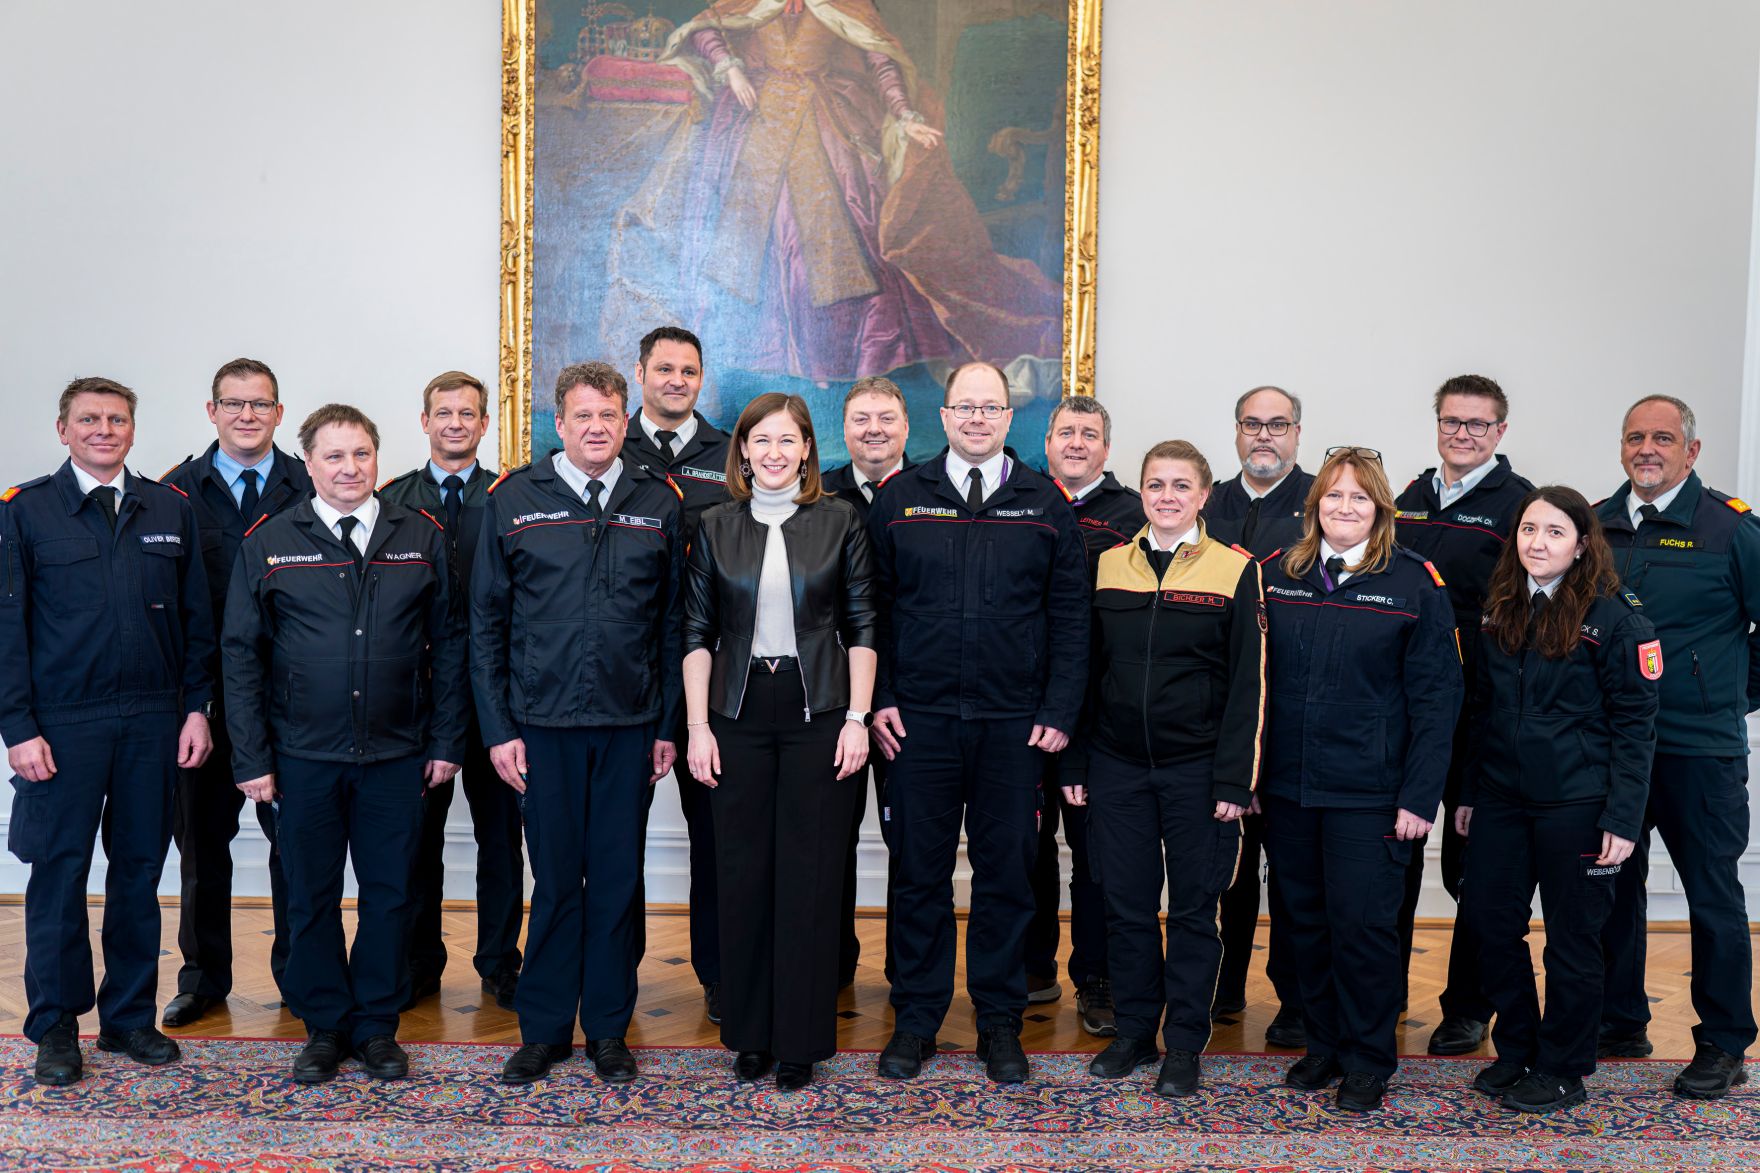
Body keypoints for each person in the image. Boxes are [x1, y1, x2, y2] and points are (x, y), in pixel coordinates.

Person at [223, 403, 466, 1083]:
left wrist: (447, 739)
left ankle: (377, 1025)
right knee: (310, 896)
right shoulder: (271, 541)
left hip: (398, 754)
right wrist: (251, 756)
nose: (349, 468)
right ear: (309, 464)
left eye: (361, 453)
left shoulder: (419, 535)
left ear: (377, 458)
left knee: (392, 894)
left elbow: (451, 645)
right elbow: (240, 654)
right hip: (302, 757)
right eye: (334, 456)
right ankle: (326, 1025)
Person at [866, 361, 1089, 1084]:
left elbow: (1070, 618)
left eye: (990, 407)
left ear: (1009, 418)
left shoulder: (1045, 503)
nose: (977, 418)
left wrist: (1058, 710)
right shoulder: (901, 498)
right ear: (943, 416)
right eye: (965, 406)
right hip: (919, 723)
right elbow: (872, 610)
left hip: (1013, 727)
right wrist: (882, 696)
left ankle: (999, 1022)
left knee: (1008, 876)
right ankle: (916, 1021)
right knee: (918, 875)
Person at [473, 362, 686, 1086]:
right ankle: (543, 1030)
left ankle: (607, 1030)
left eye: (609, 416)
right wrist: (499, 729)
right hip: (542, 726)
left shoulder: (659, 500)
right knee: (557, 880)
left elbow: (673, 626)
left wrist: (667, 725)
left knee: (619, 880)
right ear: (559, 423)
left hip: (631, 726)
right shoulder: (513, 499)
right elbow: (486, 625)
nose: (596, 427)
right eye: (583, 415)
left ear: (626, 422)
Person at [1, 376, 215, 1086]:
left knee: (138, 872)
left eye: (116, 419)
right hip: (62, 727)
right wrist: (17, 728)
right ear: (62, 429)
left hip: (153, 721)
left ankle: (128, 1017)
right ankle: (56, 1024)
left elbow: (198, 622)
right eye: (88, 419)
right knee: (58, 874)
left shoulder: (169, 507)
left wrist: (196, 708)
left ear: (132, 428)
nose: (103, 429)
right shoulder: (25, 511)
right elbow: (6, 629)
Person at [682, 392, 878, 1090]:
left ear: (806, 450)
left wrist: (857, 718)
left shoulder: (840, 520)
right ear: (742, 451)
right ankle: (750, 1033)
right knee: (741, 875)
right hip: (735, 712)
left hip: (818, 709)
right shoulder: (714, 524)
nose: (773, 452)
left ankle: (799, 1040)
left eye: (786, 440)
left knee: (810, 876)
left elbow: (862, 625)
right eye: (760, 440)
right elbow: (696, 633)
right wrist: (698, 726)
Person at [1260, 447, 1461, 1112]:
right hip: (1289, 788)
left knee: (1364, 929)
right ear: (1314, 504)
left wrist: (1420, 796)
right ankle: (1324, 1045)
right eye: (1334, 495)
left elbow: (1438, 700)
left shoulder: (1414, 583)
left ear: (1381, 510)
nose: (1344, 507)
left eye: (1359, 497)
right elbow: (1251, 685)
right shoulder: (1277, 574)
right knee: (1305, 925)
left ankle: (1369, 1058)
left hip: (1372, 794)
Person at [1068, 440, 1265, 1097]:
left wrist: (1236, 779)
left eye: (1182, 485)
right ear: (1142, 492)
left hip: (1199, 772)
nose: (1168, 496)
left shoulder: (1236, 569)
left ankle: (1183, 1043)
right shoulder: (1108, 565)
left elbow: (1250, 684)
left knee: (1192, 914)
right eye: (1156, 484)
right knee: (1125, 908)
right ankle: (1133, 1032)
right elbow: (1085, 671)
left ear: (1204, 495)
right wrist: (1077, 759)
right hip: (1117, 767)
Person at [1456, 486, 1658, 1113]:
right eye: (1528, 530)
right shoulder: (1500, 607)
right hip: (1500, 799)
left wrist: (1623, 817)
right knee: (1490, 924)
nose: (1537, 543)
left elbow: (1636, 726)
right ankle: (1518, 1048)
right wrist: (1469, 793)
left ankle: (1563, 1067)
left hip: (1578, 805)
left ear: (1582, 544)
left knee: (1572, 940)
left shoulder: (1616, 619)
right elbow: (1481, 709)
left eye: (1554, 532)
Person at [1595, 395, 1760, 1099]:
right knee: (1610, 890)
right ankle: (1618, 1021)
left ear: (1691, 451)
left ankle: (1723, 1041)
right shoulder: (1595, 524)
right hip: (1612, 749)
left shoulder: (1732, 529)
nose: (1647, 449)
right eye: (1636, 436)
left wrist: (1727, 695)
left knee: (1713, 897)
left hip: (1699, 751)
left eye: (1663, 438)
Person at [160, 357, 309, 1027]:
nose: (247, 415)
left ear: (280, 413)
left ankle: (301, 977)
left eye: (260, 404)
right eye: (233, 403)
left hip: (291, 699)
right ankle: (203, 978)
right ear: (211, 410)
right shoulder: (173, 492)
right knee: (200, 844)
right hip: (204, 702)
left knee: (297, 845)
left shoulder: (309, 484)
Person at [1391, 374, 1533, 1056]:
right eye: (1452, 421)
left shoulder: (1519, 505)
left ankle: (1469, 1007)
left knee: (1471, 869)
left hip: (1483, 715)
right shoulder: (1407, 500)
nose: (1463, 434)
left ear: (1500, 431)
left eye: (1478, 424)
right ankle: (1380, 991)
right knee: (1392, 859)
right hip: (1408, 711)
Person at [378, 371, 523, 1013]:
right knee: (416, 839)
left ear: (485, 424)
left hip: (496, 697)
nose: (455, 423)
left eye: (468, 413)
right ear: (425, 421)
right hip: (420, 697)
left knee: (502, 839)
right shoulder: (391, 499)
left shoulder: (511, 496)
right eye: (444, 413)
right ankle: (419, 965)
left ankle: (500, 963)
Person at [621, 325, 732, 1024]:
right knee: (615, 839)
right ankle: (614, 975)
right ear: (640, 374)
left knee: (715, 837)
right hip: (627, 672)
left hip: (710, 676)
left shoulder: (730, 455)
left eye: (688, 371)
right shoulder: (608, 447)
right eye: (664, 369)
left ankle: (719, 974)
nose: (676, 381)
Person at [1200, 385, 1312, 1047]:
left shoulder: (1322, 505)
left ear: (1297, 432)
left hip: (1295, 716)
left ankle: (1295, 999)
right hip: (1225, 716)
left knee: (1292, 873)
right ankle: (1223, 985)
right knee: (1228, 867)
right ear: (1237, 431)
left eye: (1277, 424)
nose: (1263, 435)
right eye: (1251, 423)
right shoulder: (1208, 503)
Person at [1031, 395, 1140, 1036]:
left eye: (1089, 433)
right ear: (1047, 442)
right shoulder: (1022, 501)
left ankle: (1098, 978)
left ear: (1106, 447)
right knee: (1026, 845)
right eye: (1066, 431)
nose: (1077, 442)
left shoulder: (1134, 514)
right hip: (1025, 707)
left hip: (1101, 714)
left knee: (1096, 852)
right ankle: (1031, 966)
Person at [820, 376, 914, 986]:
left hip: (908, 702)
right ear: (844, 428)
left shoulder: (929, 492)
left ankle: (908, 975)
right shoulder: (816, 493)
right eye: (861, 419)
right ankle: (830, 967)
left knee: (911, 843)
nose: (874, 429)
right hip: (833, 700)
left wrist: (888, 695)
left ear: (906, 426)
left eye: (885, 418)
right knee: (830, 840)